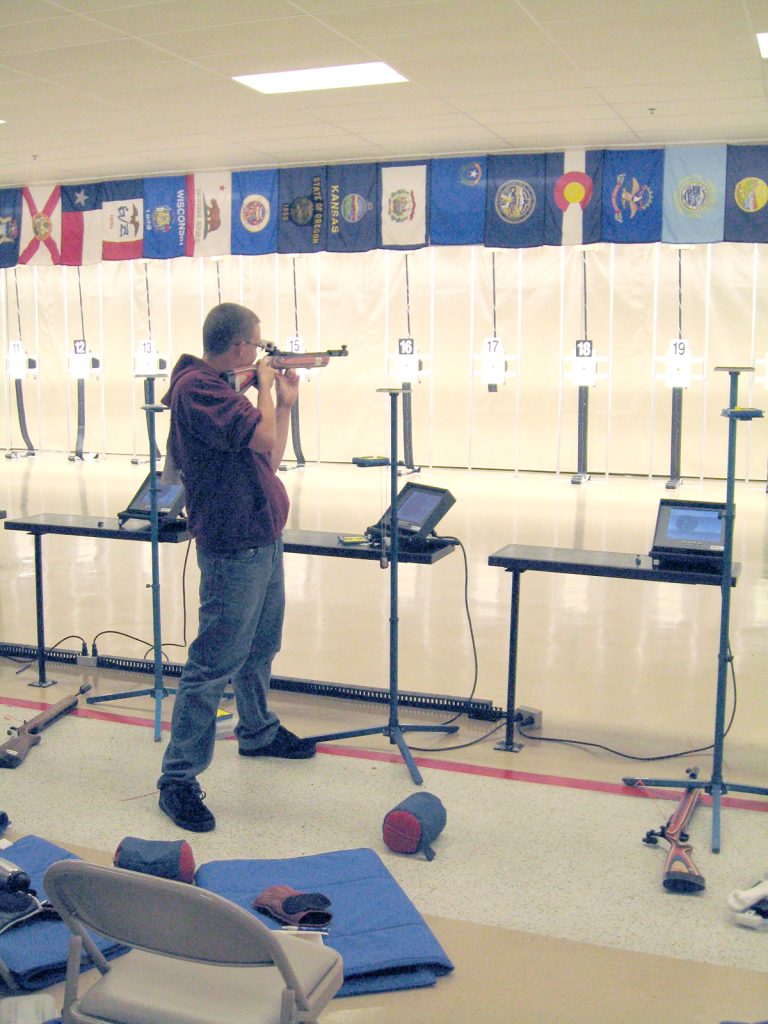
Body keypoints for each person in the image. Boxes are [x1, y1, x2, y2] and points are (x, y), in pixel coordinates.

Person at [157, 302, 315, 833]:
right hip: (234, 546)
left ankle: (258, 730)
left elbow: (268, 458)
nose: (260, 351)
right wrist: (264, 390)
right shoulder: (199, 390)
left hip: (262, 538)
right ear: (241, 347)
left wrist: (285, 402)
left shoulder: (220, 389)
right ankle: (178, 778)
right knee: (213, 664)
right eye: (258, 343)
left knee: (260, 648)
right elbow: (264, 439)